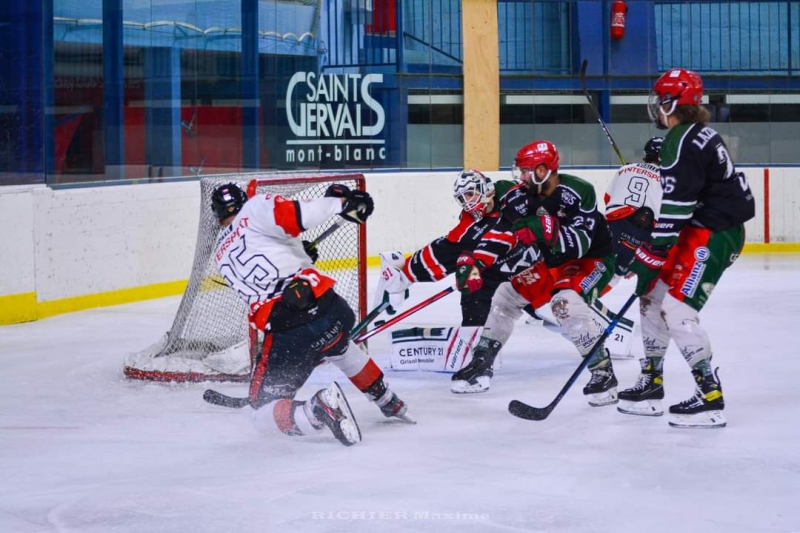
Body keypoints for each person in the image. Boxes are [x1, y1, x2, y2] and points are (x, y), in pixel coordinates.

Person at [211, 182, 412, 446]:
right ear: (243, 200)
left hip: (289, 330)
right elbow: (298, 215)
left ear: (218, 216)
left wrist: (302, 244)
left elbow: (265, 267)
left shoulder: (220, 254)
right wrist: (341, 203)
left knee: (261, 411)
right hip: (332, 309)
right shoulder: (256, 207)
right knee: (338, 345)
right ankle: (387, 400)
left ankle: (317, 408)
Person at [619, 68, 755, 428]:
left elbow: (677, 207)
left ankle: (710, 398)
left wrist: (652, 252)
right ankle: (652, 383)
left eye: (660, 100)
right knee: (651, 296)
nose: (656, 107)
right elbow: (689, 183)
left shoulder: (680, 138)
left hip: (715, 233)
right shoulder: (694, 134)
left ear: (671, 102)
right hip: (701, 228)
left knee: (677, 310)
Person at [452, 140, 619, 399]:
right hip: (549, 262)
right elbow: (500, 234)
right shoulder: (519, 197)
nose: (520, 176)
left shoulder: (579, 191)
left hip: (592, 259)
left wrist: (542, 229)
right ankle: (482, 364)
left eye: (525, 171)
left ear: (542, 170)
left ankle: (603, 372)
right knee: (504, 296)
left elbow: (579, 244)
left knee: (564, 304)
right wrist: (476, 262)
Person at [375, 169, 540, 327]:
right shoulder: (468, 228)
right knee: (474, 291)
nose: (467, 203)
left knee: (547, 301)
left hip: (534, 261)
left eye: (470, 194)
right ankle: (474, 337)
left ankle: (540, 309)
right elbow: (440, 253)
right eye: (462, 199)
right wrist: (404, 275)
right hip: (502, 272)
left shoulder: (508, 190)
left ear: (483, 188)